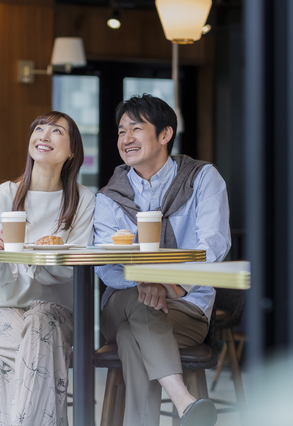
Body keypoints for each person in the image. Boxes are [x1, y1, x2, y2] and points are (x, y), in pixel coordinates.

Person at [0, 112, 95, 426]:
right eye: (38, 129)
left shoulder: (83, 200)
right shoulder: (2, 196)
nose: (43, 135)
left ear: (72, 152)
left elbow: (77, 267)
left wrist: (42, 257)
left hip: (56, 313)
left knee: (39, 321)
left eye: (56, 131)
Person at [94, 94, 231, 426]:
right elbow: (106, 265)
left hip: (188, 307)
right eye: (121, 131)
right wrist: (147, 281)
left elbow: (213, 246)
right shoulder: (110, 196)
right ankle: (184, 402)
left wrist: (170, 284)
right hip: (121, 301)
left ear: (165, 134)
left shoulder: (202, 179)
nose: (125, 139)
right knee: (141, 303)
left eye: (136, 129)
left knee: (132, 334)